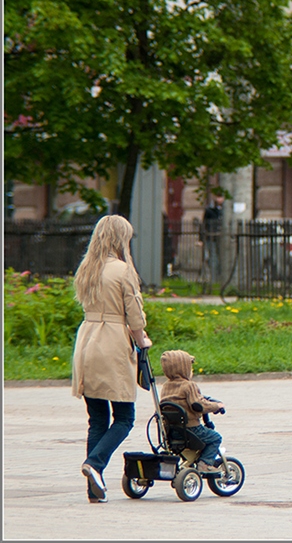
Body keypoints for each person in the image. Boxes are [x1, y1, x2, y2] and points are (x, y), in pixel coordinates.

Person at [71, 214, 153, 503]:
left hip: (87, 341)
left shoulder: (86, 268)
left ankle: (94, 485)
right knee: (125, 417)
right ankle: (95, 464)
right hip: (112, 342)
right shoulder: (122, 270)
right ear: (120, 238)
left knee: (97, 420)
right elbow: (134, 313)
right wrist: (142, 339)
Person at [159, 349, 225, 474]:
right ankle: (205, 464)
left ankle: (191, 460)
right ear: (183, 369)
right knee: (215, 438)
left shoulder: (166, 386)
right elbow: (199, 405)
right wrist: (216, 406)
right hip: (191, 429)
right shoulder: (189, 386)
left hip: (172, 431)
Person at [202, 193, 225, 283]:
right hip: (211, 237)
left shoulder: (226, 210)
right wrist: (201, 239)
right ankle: (213, 279)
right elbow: (204, 225)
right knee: (213, 257)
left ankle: (220, 277)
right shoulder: (210, 210)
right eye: (218, 197)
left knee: (221, 258)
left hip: (222, 238)